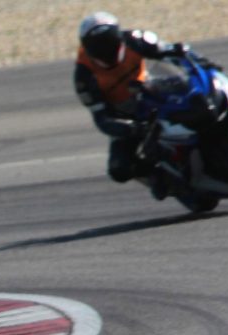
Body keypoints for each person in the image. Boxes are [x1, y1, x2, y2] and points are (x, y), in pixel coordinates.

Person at [74, 11, 193, 200]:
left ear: (118, 35)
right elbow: (101, 119)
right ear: (86, 47)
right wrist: (128, 128)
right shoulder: (84, 76)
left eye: (109, 41)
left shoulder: (136, 39)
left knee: (195, 99)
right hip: (125, 116)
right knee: (119, 169)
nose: (105, 49)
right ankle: (158, 177)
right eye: (98, 46)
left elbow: (174, 51)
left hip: (153, 92)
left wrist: (198, 62)